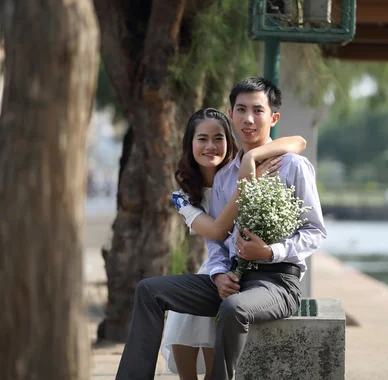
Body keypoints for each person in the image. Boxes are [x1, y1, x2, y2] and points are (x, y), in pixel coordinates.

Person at [115, 77, 326, 380]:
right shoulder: (226, 176)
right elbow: (217, 241)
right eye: (241, 109)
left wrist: (270, 251)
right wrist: (217, 274)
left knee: (233, 309)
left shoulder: (293, 166)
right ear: (231, 115)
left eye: (258, 110)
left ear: (273, 118)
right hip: (232, 278)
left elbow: (315, 232)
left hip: (277, 283)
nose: (249, 118)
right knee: (148, 290)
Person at [162, 107, 307, 380]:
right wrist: (247, 183)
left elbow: (299, 141)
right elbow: (217, 231)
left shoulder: (236, 169)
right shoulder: (183, 196)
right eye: (202, 139)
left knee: (214, 325)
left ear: (230, 142)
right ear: (189, 143)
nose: (210, 146)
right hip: (217, 265)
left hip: (245, 267)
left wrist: (252, 157)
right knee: (185, 317)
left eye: (219, 138)